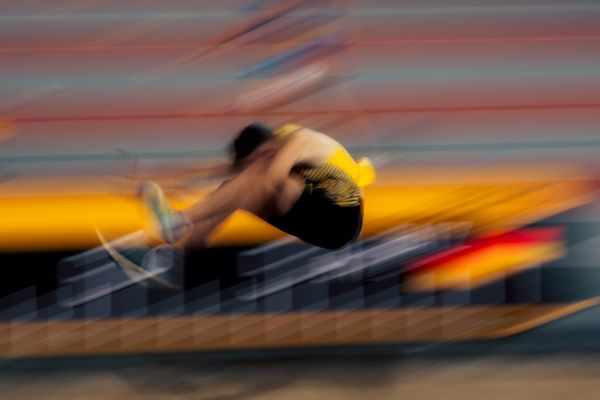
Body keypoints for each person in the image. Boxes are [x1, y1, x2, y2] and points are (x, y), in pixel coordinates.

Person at [142, 123, 376, 251]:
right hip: (321, 226)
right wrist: (173, 183)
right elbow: (222, 171)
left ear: (265, 150)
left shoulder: (300, 140)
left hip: (341, 217)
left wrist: (201, 198)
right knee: (232, 190)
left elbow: (271, 179)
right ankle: (188, 251)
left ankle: (179, 221)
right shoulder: (268, 153)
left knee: (251, 182)